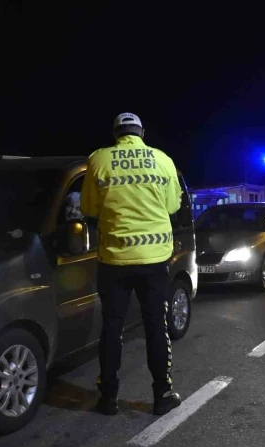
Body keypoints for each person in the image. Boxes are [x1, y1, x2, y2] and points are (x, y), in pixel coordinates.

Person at [80, 112, 183, 416]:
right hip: (154, 260)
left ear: (116, 134)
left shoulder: (99, 160)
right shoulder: (163, 159)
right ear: (142, 132)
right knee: (156, 326)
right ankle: (162, 394)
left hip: (114, 259)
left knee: (112, 328)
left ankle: (108, 397)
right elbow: (172, 205)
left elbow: (89, 207)